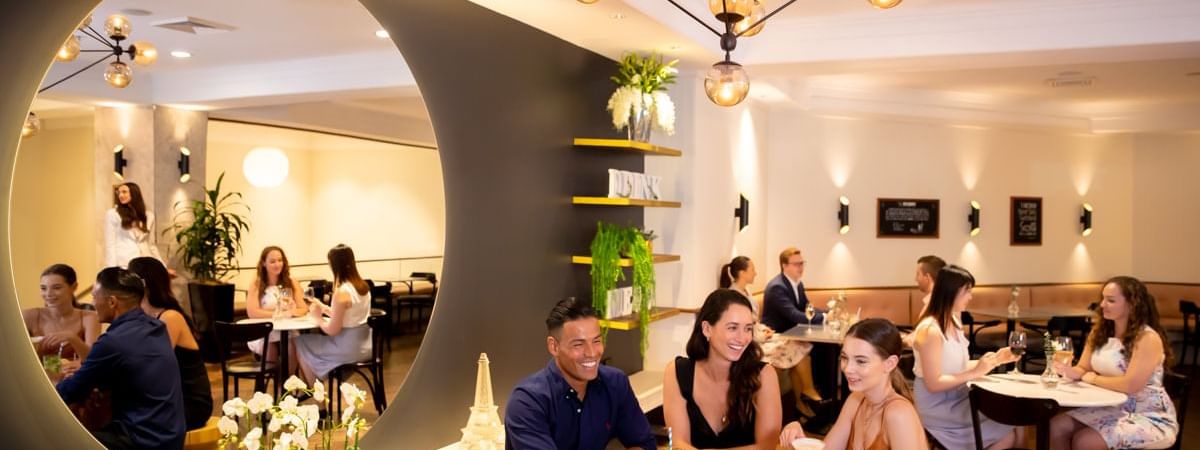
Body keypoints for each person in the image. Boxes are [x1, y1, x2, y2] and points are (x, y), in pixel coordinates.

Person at [56, 267, 185, 450]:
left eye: (94, 297)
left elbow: (70, 391)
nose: (92, 303)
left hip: (143, 439)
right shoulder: (156, 327)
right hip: (170, 435)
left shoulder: (112, 341)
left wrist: (46, 389)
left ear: (112, 302)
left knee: (61, 441)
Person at [505, 297, 655, 450]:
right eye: (578, 344)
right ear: (554, 347)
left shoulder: (615, 383)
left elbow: (643, 443)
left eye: (596, 341)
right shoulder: (527, 402)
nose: (591, 353)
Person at [1049, 276, 1178, 450]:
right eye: (1102, 298)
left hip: (1146, 414)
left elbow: (1131, 384)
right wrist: (1070, 371)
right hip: (1111, 407)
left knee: (1085, 441)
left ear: (1132, 304)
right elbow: (1083, 368)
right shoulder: (1099, 331)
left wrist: (1092, 378)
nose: (1102, 305)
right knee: (1056, 426)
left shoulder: (1147, 338)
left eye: (1110, 300)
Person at [911, 265, 1018, 450]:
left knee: (1014, 421)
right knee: (1009, 428)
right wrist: (976, 372)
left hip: (957, 396)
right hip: (938, 406)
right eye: (967, 291)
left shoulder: (953, 320)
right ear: (950, 292)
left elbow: (956, 366)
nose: (971, 296)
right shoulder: (930, 330)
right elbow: (934, 383)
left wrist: (997, 360)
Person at [780, 319, 927, 450]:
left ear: (889, 364)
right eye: (844, 358)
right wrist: (799, 439)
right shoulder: (856, 401)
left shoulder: (899, 414)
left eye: (861, 361)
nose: (847, 369)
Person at [663, 289, 782, 449]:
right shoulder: (677, 373)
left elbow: (767, 446)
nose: (742, 338)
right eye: (732, 328)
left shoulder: (764, 375)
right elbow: (678, 443)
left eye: (748, 328)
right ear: (707, 329)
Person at [720, 256, 821, 416]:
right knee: (787, 350)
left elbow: (754, 322)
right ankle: (805, 397)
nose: (756, 273)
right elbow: (741, 329)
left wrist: (763, 329)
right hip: (749, 343)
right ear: (742, 272)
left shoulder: (746, 292)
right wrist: (760, 335)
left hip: (758, 336)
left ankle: (804, 398)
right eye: (753, 269)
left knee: (799, 347)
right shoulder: (733, 296)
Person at [128, 257, 213, 431]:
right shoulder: (141, 317)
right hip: (166, 398)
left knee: (130, 419)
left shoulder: (170, 317)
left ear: (142, 284)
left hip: (189, 402)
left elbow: (151, 361)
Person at [294, 244, 372, 384]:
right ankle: (316, 385)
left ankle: (317, 395)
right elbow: (349, 317)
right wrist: (323, 308)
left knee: (300, 342)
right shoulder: (363, 287)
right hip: (365, 346)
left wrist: (318, 319)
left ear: (335, 265)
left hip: (347, 348)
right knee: (307, 342)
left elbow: (332, 330)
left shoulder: (341, 292)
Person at [245, 246, 308, 372]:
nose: (277, 264)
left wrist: (292, 311)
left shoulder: (291, 282)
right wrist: (278, 313)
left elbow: (303, 309)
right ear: (264, 263)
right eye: (272, 261)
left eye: (280, 260)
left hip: (287, 330)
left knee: (292, 345)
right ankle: (269, 384)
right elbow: (252, 312)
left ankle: (287, 386)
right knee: (270, 347)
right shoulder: (257, 284)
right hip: (263, 331)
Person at [23, 264, 99, 360]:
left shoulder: (89, 317)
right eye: (43, 288)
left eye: (56, 288)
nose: (48, 294)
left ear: (74, 287)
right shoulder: (29, 316)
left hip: (74, 374)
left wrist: (72, 338)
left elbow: (93, 360)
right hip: (37, 374)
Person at [104, 182, 164, 268]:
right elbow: (110, 244)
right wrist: (112, 270)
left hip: (145, 263)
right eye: (119, 192)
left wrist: (162, 267)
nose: (120, 195)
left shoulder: (149, 216)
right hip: (124, 263)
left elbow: (151, 244)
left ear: (134, 193)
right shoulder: (113, 214)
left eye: (124, 192)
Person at [904, 255, 945, 347]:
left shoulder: (935, 305)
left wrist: (902, 340)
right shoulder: (942, 300)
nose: (915, 279)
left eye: (918, 274)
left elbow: (920, 339)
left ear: (927, 277)